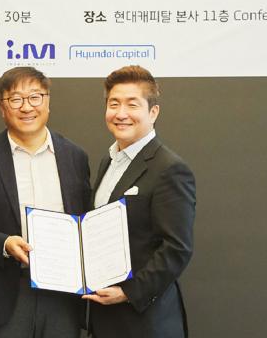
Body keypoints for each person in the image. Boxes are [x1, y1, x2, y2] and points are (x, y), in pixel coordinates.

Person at [0, 67, 91, 338]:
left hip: (63, 294)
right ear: (2, 107)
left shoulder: (75, 157)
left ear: (47, 101)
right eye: (16, 99)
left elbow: (86, 221)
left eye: (35, 97)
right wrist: (3, 244)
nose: (26, 107)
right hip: (4, 294)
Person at [83, 65, 196, 338]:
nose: (121, 113)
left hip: (146, 321)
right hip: (104, 317)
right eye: (114, 104)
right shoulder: (109, 161)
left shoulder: (169, 168)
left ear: (153, 112)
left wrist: (128, 292)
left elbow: (176, 248)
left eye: (132, 104)